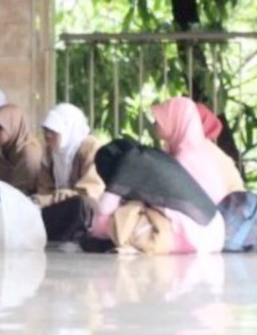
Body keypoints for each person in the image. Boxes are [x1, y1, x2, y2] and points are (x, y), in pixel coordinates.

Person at [89, 139, 225, 255]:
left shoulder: (129, 164)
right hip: (215, 232)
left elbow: (103, 212)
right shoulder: (152, 156)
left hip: (195, 237)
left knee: (113, 221)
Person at [151, 97, 244, 204]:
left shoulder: (187, 157)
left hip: (227, 212)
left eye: (163, 118)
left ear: (178, 121)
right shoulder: (194, 149)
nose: (155, 123)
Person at [35, 103, 105, 242]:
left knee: (79, 204)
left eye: (54, 131)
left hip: (85, 208)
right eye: (46, 130)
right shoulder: (50, 152)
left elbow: (90, 190)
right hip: (58, 205)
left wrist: (60, 196)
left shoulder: (90, 147)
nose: (48, 135)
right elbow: (44, 190)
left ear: (68, 129)